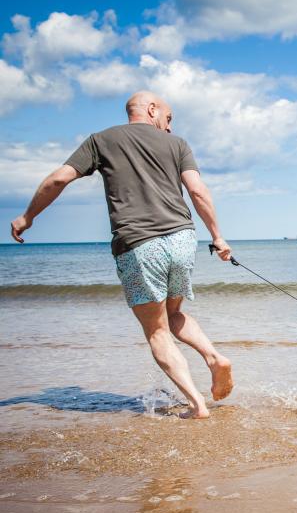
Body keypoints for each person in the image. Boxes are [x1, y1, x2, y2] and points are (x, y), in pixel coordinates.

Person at [9, 91, 234, 420]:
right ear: (152, 109)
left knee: (156, 330)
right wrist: (218, 236)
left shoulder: (101, 140)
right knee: (173, 313)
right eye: (168, 119)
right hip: (183, 239)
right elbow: (198, 190)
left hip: (140, 243)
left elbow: (59, 178)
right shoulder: (178, 145)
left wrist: (28, 216)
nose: (169, 128)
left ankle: (198, 405)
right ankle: (214, 357)